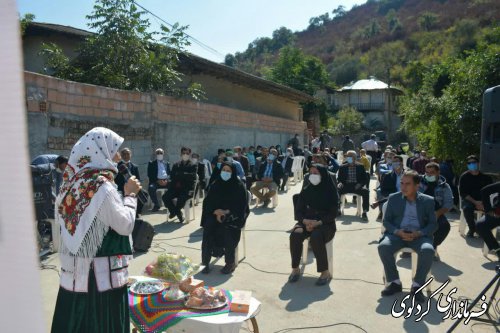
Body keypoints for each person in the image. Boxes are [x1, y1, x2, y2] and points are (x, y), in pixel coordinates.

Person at [51, 127, 141, 333]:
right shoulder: (101, 186)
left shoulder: (70, 184)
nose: (118, 156)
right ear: (101, 151)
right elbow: (124, 224)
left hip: (74, 276)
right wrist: (130, 195)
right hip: (101, 281)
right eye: (115, 150)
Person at [378, 170, 437, 303]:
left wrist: (420, 233)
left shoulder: (427, 201)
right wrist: (397, 232)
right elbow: (386, 221)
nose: (403, 187)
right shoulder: (394, 198)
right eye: (402, 183)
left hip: (419, 236)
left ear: (417, 186)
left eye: (408, 184)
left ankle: (417, 286)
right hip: (398, 234)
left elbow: (433, 224)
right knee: (383, 247)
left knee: (428, 250)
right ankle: (394, 282)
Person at [288, 164, 338, 286]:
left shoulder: (331, 192)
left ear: (323, 175)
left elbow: (333, 213)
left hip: (325, 224)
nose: (313, 176)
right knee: (295, 234)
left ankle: (324, 272)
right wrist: (305, 221)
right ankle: (295, 268)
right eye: (311, 173)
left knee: (316, 236)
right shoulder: (306, 190)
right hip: (306, 221)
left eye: (316, 173)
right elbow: (298, 211)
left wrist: (318, 223)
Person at [201, 162, 249, 274]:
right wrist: (215, 212)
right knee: (208, 227)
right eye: (224, 170)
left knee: (227, 228)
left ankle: (230, 263)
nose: (225, 173)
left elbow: (241, 206)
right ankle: (205, 262)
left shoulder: (238, 186)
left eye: (228, 171)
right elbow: (207, 202)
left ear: (233, 173)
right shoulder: (216, 184)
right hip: (215, 213)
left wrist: (225, 212)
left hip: (232, 215)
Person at [419, 162, 453, 256]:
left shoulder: (445, 186)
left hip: (436, 211)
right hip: (419, 211)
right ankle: (412, 246)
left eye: (432, 172)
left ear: (438, 172)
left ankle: (432, 246)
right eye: (427, 172)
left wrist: (438, 213)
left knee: (445, 226)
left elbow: (449, 203)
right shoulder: (418, 181)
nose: (429, 175)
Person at [458, 155, 493, 237]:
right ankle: (472, 229)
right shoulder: (464, 177)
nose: (471, 164)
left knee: (492, 209)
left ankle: (484, 229)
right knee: (467, 208)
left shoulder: (486, 177)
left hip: (484, 200)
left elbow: (490, 192)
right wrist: (475, 202)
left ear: (478, 163)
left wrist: (483, 202)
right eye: (469, 163)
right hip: (470, 200)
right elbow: (463, 193)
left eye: (473, 162)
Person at [162, 147, 197, 223]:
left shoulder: (193, 165)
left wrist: (180, 174)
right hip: (176, 188)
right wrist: (184, 175)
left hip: (187, 189)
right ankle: (177, 212)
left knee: (181, 199)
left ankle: (175, 213)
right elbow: (172, 176)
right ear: (181, 154)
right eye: (183, 153)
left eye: (187, 153)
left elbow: (192, 176)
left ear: (189, 154)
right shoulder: (176, 165)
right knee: (165, 197)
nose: (185, 155)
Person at [337, 150, 370, 220]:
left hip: (356, 186)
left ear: (355, 157)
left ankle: (364, 212)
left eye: (350, 156)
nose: (348, 158)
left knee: (366, 191)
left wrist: (360, 184)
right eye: (347, 156)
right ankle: (338, 209)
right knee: (337, 189)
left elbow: (364, 179)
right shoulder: (342, 167)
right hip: (346, 185)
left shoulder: (360, 166)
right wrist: (340, 183)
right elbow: (339, 179)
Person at [115, 147, 142, 216]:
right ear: (121, 155)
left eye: (128, 154)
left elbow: (138, 179)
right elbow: (115, 180)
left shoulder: (135, 167)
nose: (126, 156)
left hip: (133, 188)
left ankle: (136, 213)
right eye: (124, 154)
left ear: (130, 155)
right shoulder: (117, 166)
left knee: (144, 194)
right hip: (121, 188)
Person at [476, 182, 500, 259]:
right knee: (481, 225)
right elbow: (485, 191)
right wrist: (488, 210)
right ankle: (497, 250)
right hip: (497, 214)